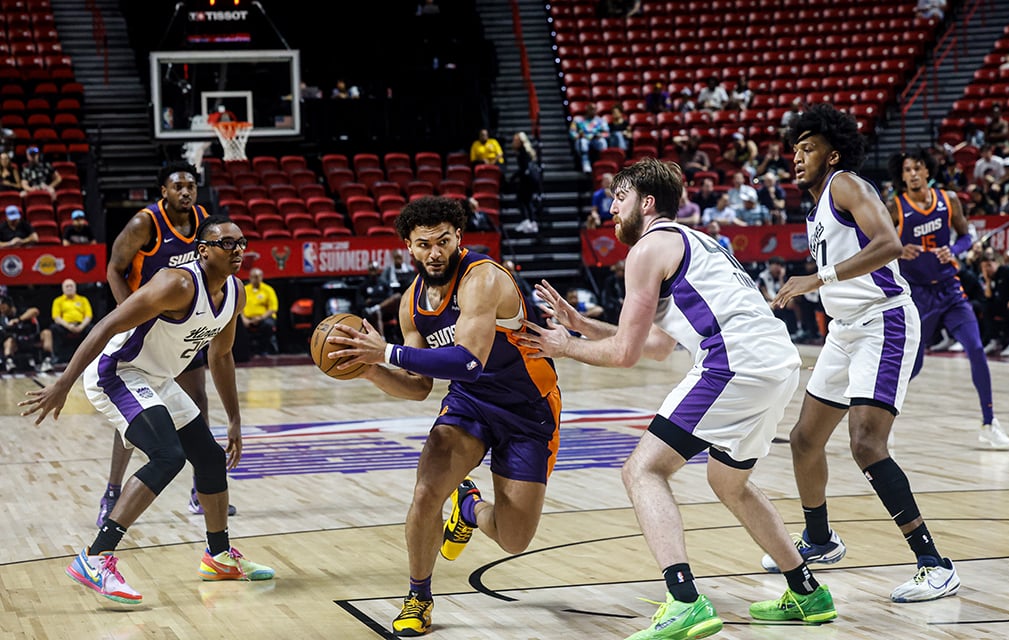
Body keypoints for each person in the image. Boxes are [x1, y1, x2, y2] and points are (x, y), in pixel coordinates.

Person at [516, 158, 836, 638]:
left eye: (618, 198)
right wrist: (582, 327)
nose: (611, 209)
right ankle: (807, 591)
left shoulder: (646, 250)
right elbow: (658, 344)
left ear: (646, 203)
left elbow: (624, 355)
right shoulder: (693, 240)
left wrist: (567, 347)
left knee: (642, 470)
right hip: (776, 365)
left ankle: (685, 600)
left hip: (734, 364)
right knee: (730, 482)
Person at [324, 196, 561, 637]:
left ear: (459, 239)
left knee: (514, 539)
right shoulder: (411, 303)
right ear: (409, 248)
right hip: (469, 404)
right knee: (425, 495)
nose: (435, 252)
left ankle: (469, 509)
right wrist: (372, 369)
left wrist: (387, 350)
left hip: (527, 407)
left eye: (443, 241)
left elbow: (469, 360)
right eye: (424, 244)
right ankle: (418, 596)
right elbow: (418, 387)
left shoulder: (483, 278)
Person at [19, 216, 274, 605]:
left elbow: (221, 356)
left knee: (208, 457)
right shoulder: (176, 284)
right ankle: (95, 557)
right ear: (203, 251)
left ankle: (219, 556)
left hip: (157, 378)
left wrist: (236, 420)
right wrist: (63, 382)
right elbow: (106, 325)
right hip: (118, 372)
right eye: (228, 244)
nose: (239, 250)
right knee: (167, 455)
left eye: (242, 243)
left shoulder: (235, 293)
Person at [768, 103, 960, 603]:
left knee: (866, 443)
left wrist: (818, 278)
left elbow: (891, 243)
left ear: (833, 153)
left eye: (808, 148)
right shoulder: (815, 206)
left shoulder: (846, 184)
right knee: (805, 439)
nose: (797, 157)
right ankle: (820, 540)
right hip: (845, 330)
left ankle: (933, 563)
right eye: (794, 149)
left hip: (885, 320)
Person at [99, 161, 235, 527]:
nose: (186, 192)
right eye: (178, 186)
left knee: (198, 399)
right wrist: (129, 311)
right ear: (165, 192)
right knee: (132, 414)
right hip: (145, 325)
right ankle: (112, 490)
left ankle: (200, 485)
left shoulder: (206, 223)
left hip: (182, 321)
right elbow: (114, 267)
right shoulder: (146, 223)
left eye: (191, 185)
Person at [887, 149, 1009, 450]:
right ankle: (883, 420)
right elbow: (873, 240)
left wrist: (954, 251)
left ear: (928, 171)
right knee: (912, 366)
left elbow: (966, 236)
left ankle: (989, 422)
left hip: (950, 290)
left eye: (918, 168)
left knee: (976, 348)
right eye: (907, 170)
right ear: (901, 176)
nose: (913, 174)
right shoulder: (895, 207)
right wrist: (897, 248)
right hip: (917, 296)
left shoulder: (948, 200)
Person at [2, 295, 54, 373]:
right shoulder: (3, 318)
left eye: (3, 307)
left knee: (47, 333)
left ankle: (47, 361)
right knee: (8, 341)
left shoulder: (21, 311)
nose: (1, 309)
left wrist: (19, 320)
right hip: (17, 342)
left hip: (32, 338)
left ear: (8, 305)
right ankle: (9, 362)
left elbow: (35, 311)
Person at [50, 278, 93, 364]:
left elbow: (89, 316)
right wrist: (69, 326)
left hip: (81, 325)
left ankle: (90, 355)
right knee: (54, 328)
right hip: (65, 326)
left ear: (75, 288)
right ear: (63, 288)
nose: (69, 288)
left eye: (71, 286)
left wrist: (81, 327)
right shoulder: (58, 301)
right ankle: (58, 356)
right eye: (67, 286)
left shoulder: (83, 299)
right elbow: (56, 317)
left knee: (93, 328)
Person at [241, 267, 278, 356]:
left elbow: (273, 308)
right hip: (247, 318)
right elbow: (239, 307)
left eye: (258, 276)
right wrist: (244, 318)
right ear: (250, 278)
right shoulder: (244, 289)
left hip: (264, 317)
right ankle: (245, 351)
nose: (256, 279)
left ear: (262, 277)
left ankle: (263, 349)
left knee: (268, 325)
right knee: (237, 325)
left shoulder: (268, 290)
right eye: (254, 277)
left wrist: (260, 318)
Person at [511, 131, 542, 233]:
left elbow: (523, 169)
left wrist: (513, 177)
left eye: (515, 140)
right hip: (531, 179)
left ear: (520, 141)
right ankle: (533, 223)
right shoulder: (527, 151)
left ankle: (526, 221)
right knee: (528, 201)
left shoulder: (522, 152)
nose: (513, 142)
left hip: (527, 179)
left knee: (520, 199)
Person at [569, 102, 610, 174]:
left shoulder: (601, 121)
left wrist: (601, 135)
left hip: (596, 139)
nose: (593, 111)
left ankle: (603, 163)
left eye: (595, 109)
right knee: (582, 143)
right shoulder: (578, 120)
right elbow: (572, 132)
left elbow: (607, 133)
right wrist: (578, 135)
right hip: (584, 138)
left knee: (602, 142)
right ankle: (586, 164)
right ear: (587, 110)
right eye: (591, 109)